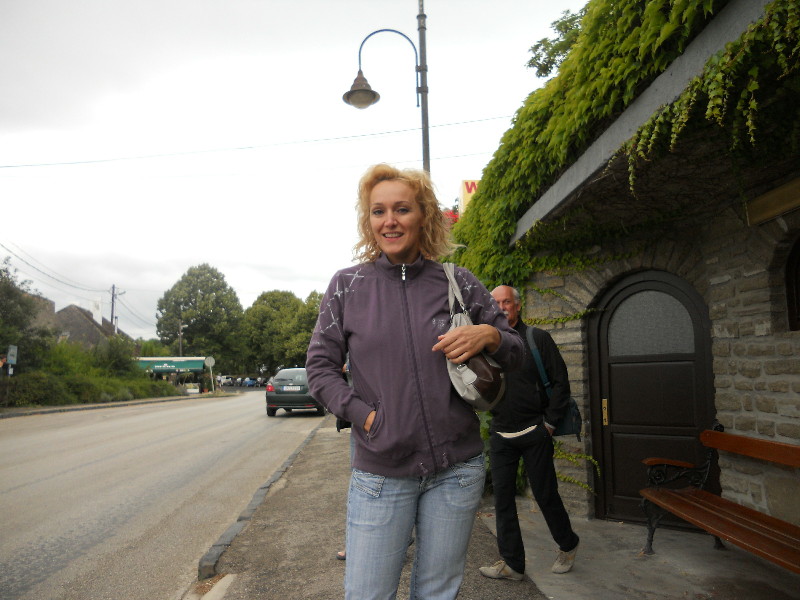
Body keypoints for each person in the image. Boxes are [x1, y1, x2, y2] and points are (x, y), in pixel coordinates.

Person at [306, 163, 523, 600]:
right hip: (381, 473)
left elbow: (516, 349)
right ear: (368, 221)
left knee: (437, 593)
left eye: (402, 209)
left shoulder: (458, 281)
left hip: (457, 470)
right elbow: (320, 369)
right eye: (378, 211)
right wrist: (367, 418)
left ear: (423, 215)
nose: (390, 221)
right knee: (367, 593)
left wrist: (490, 334)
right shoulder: (347, 286)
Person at [479, 285, 580, 582]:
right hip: (501, 434)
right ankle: (512, 564)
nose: (501, 307)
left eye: (506, 302)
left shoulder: (537, 339)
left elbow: (561, 383)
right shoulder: (486, 345)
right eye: (496, 303)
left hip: (535, 431)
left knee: (545, 495)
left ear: (518, 305)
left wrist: (549, 424)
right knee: (503, 500)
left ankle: (568, 544)